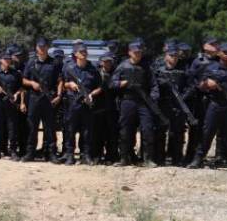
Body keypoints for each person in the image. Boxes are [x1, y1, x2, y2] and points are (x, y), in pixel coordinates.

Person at [189, 44, 227, 170]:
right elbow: (200, 85)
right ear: (219, 53)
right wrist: (207, 84)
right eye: (224, 52)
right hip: (215, 105)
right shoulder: (211, 68)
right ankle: (198, 159)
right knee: (207, 132)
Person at [110, 39, 160, 167]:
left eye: (140, 52)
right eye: (135, 52)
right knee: (126, 130)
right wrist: (122, 83)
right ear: (129, 52)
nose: (138, 54)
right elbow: (112, 83)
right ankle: (124, 158)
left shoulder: (147, 67)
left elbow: (154, 85)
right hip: (128, 101)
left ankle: (147, 159)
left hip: (144, 102)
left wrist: (154, 97)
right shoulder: (123, 66)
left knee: (147, 129)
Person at [58, 45, 102, 165]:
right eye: (81, 52)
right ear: (75, 54)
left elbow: (100, 87)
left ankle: (85, 155)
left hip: (87, 103)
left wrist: (92, 95)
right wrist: (70, 84)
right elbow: (63, 83)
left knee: (87, 131)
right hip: (73, 103)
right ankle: (70, 155)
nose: (84, 53)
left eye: (85, 51)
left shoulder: (93, 69)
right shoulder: (69, 68)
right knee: (70, 130)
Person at [20, 38, 60, 162]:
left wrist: (58, 95)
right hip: (34, 98)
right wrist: (32, 83)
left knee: (50, 128)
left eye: (44, 47)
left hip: (49, 99)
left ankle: (52, 153)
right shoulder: (31, 63)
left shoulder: (54, 63)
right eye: (40, 47)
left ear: (47, 48)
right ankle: (30, 153)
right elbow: (23, 80)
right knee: (32, 127)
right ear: (36, 48)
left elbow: (60, 80)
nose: (42, 49)